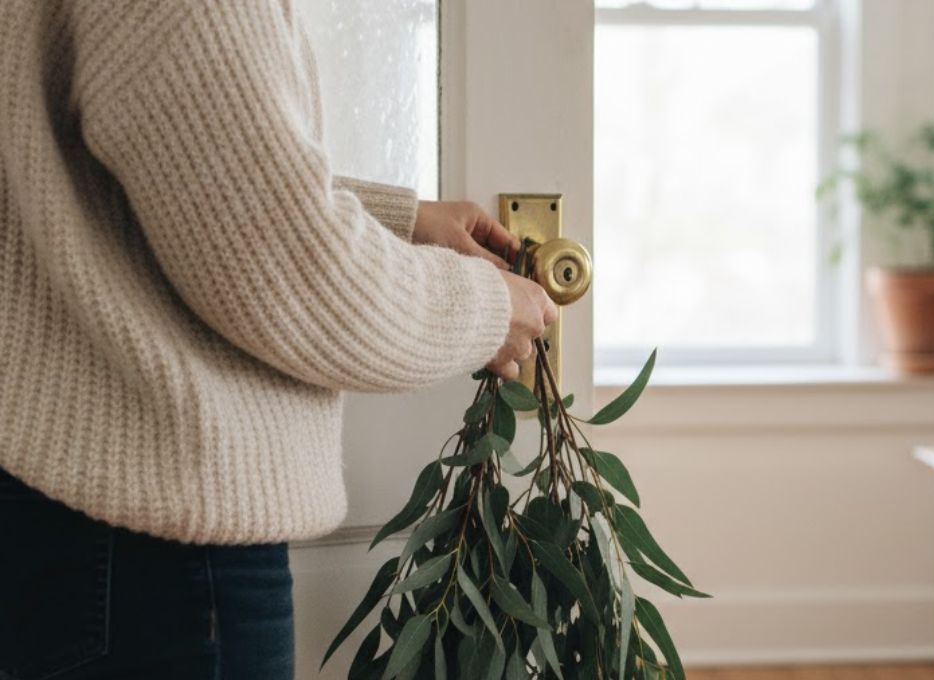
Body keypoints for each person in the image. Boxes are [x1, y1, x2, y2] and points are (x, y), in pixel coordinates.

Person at [0, 1, 557, 678]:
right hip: (161, 553)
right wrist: (488, 307)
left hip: (80, 521)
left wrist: (399, 220)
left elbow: (174, 174)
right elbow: (287, 270)